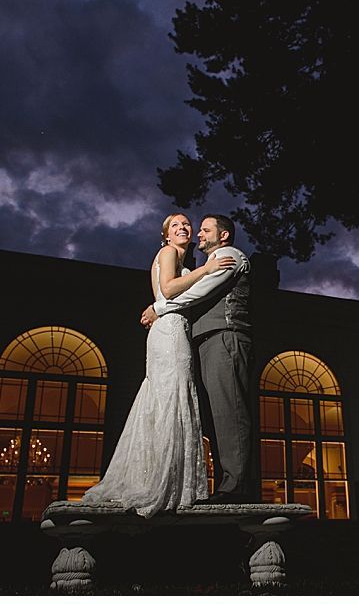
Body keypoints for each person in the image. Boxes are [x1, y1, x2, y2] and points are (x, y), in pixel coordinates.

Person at [81, 213, 236, 518]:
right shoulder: (168, 254)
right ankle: (160, 483)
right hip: (168, 332)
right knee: (169, 397)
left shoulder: (183, 262)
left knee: (173, 396)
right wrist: (206, 269)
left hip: (174, 329)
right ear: (166, 235)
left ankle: (174, 483)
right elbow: (167, 289)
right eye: (175, 224)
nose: (183, 227)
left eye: (187, 224)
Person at [140, 214, 254, 504]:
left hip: (225, 337)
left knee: (229, 411)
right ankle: (227, 484)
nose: (198, 234)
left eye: (205, 230)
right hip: (205, 341)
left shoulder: (228, 256)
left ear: (224, 235)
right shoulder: (201, 262)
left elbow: (196, 292)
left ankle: (236, 486)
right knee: (215, 416)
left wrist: (159, 307)